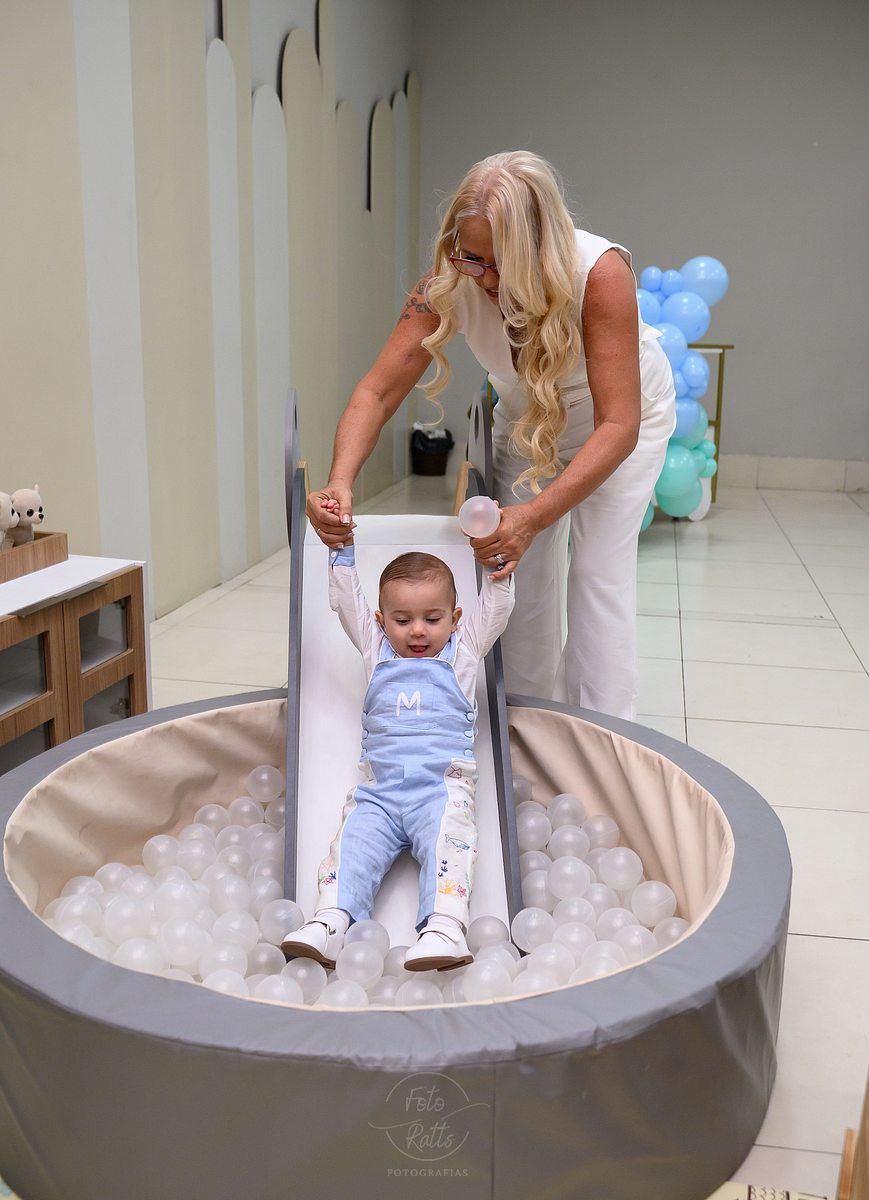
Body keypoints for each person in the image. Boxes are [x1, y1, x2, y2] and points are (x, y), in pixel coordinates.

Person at [306, 151, 675, 721]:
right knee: (517, 581)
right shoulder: (449, 281)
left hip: (623, 422)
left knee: (597, 576)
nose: (488, 280)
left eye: (504, 264)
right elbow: (377, 391)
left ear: (542, 249)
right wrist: (339, 481)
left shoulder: (599, 275)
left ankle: (603, 741)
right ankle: (523, 733)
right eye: (473, 258)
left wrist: (535, 516)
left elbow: (619, 426)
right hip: (528, 420)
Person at [282, 518, 514, 972]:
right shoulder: (377, 652)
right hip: (380, 794)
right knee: (350, 846)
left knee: (451, 845)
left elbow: (497, 609)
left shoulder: (464, 653)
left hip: (440, 791)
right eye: (402, 621)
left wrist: (498, 563)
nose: (417, 632)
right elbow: (347, 603)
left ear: (455, 619)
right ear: (381, 621)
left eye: (433, 619)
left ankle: (444, 927)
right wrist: (342, 552)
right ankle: (331, 921)